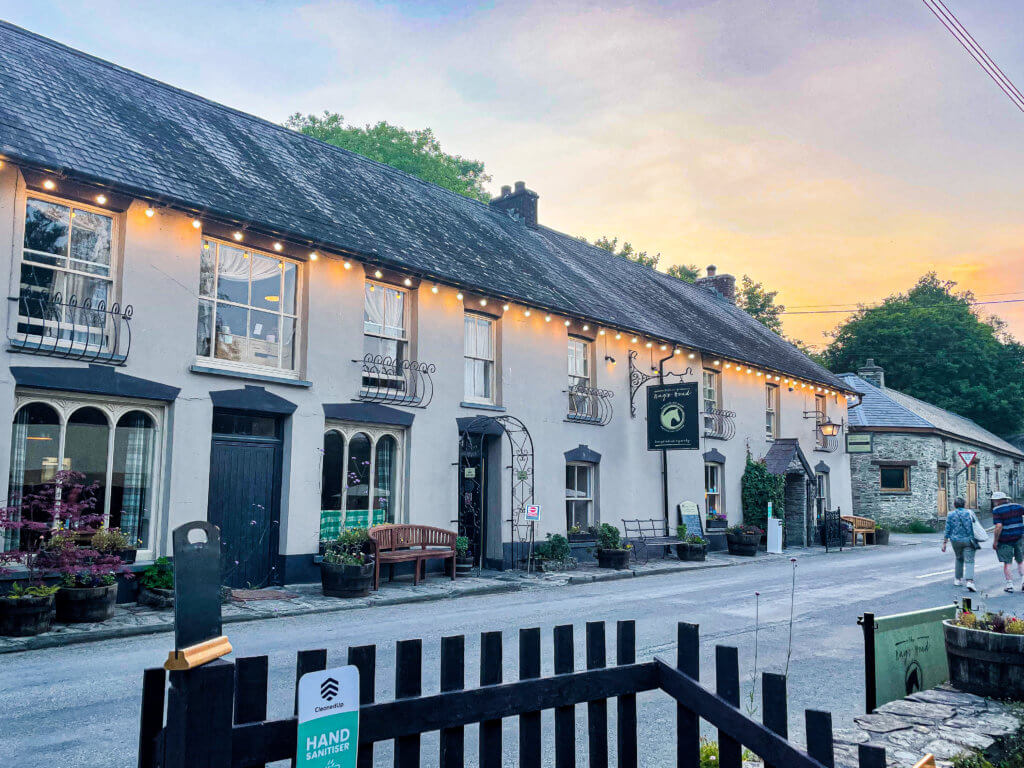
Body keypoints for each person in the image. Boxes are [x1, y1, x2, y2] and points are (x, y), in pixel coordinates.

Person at [991, 491, 1024, 593]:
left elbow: (998, 526)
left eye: (994, 501)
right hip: (1019, 537)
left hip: (1005, 540)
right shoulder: (1018, 507)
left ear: (997, 501)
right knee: (1021, 560)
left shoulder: (997, 510)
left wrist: (995, 541)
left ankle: (1009, 585)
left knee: (1007, 562)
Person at [942, 497, 977, 591]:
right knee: (969, 560)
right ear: (964, 504)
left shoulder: (950, 514)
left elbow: (947, 529)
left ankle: (958, 579)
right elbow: (975, 525)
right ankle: (969, 581)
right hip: (968, 540)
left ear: (955, 505)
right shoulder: (970, 513)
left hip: (955, 540)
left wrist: (944, 543)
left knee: (959, 558)